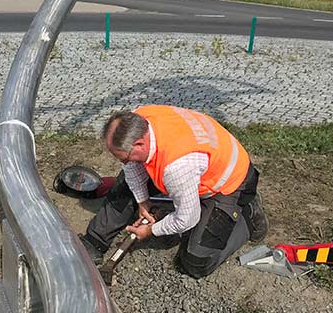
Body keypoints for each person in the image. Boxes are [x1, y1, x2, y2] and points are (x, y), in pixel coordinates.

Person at [80, 105, 268, 278]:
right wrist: (142, 201)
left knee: (195, 263)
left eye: (125, 157)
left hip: (231, 183)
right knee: (127, 180)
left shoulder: (176, 166)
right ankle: (95, 241)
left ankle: (248, 215)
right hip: (196, 167)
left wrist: (151, 230)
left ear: (139, 144)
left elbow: (187, 219)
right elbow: (130, 168)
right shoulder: (138, 121)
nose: (123, 163)